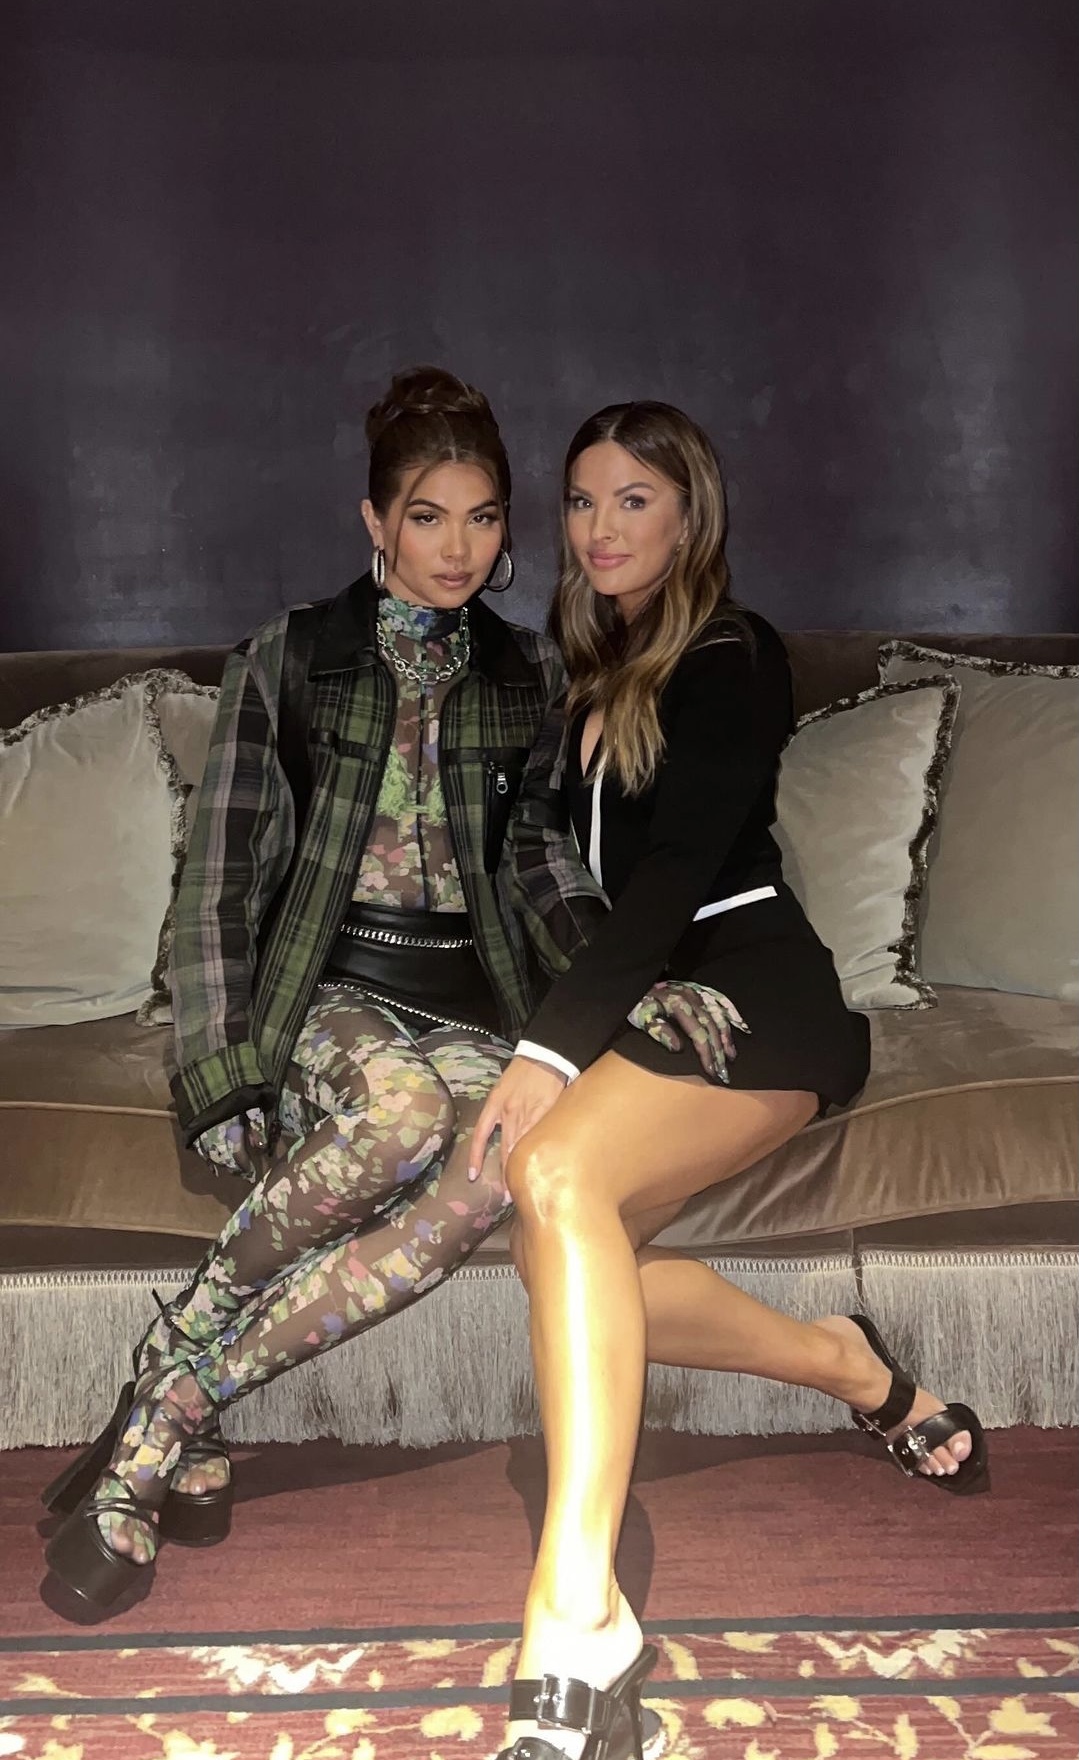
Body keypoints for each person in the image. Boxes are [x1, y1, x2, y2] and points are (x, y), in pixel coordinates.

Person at [41, 368, 732, 1611]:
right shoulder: (292, 656)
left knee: (493, 1163)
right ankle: (151, 1444)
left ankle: (174, 1391)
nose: (456, 548)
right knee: (403, 1115)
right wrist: (221, 1066)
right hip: (325, 980)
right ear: (374, 521)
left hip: (466, 997)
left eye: (481, 519)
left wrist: (629, 979)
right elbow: (218, 878)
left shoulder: (527, 671)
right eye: (426, 518)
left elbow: (538, 862)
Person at [446, 401, 989, 1760]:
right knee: (554, 1239)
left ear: (688, 512)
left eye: (633, 498)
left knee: (553, 1171)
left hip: (755, 990)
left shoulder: (731, 653)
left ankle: (573, 1622)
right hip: (654, 1001)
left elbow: (679, 870)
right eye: (580, 501)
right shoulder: (581, 673)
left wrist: (544, 1052)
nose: (599, 527)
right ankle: (845, 1361)